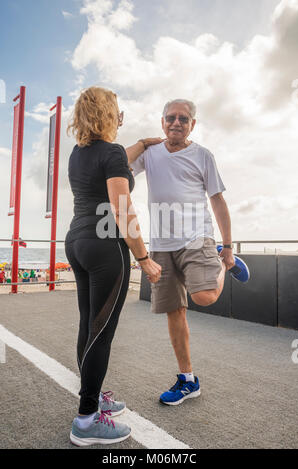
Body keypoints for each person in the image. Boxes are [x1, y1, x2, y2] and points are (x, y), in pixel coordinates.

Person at [127, 99, 250, 406]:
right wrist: (141, 143)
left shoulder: (203, 155)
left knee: (204, 297)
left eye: (184, 118)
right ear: (162, 121)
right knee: (175, 312)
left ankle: (223, 260)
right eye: (171, 118)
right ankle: (187, 380)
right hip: (161, 246)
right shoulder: (150, 153)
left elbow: (218, 202)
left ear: (193, 124)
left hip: (198, 239)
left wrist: (229, 247)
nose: (176, 123)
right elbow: (118, 165)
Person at [65, 86, 162, 446]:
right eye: (118, 111)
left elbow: (117, 156)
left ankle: (92, 396)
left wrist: (141, 144)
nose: (121, 117)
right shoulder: (111, 155)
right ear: (110, 115)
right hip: (106, 248)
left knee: (89, 324)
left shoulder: (79, 153)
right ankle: (87, 419)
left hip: (76, 241)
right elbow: (122, 210)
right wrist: (144, 258)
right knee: (101, 331)